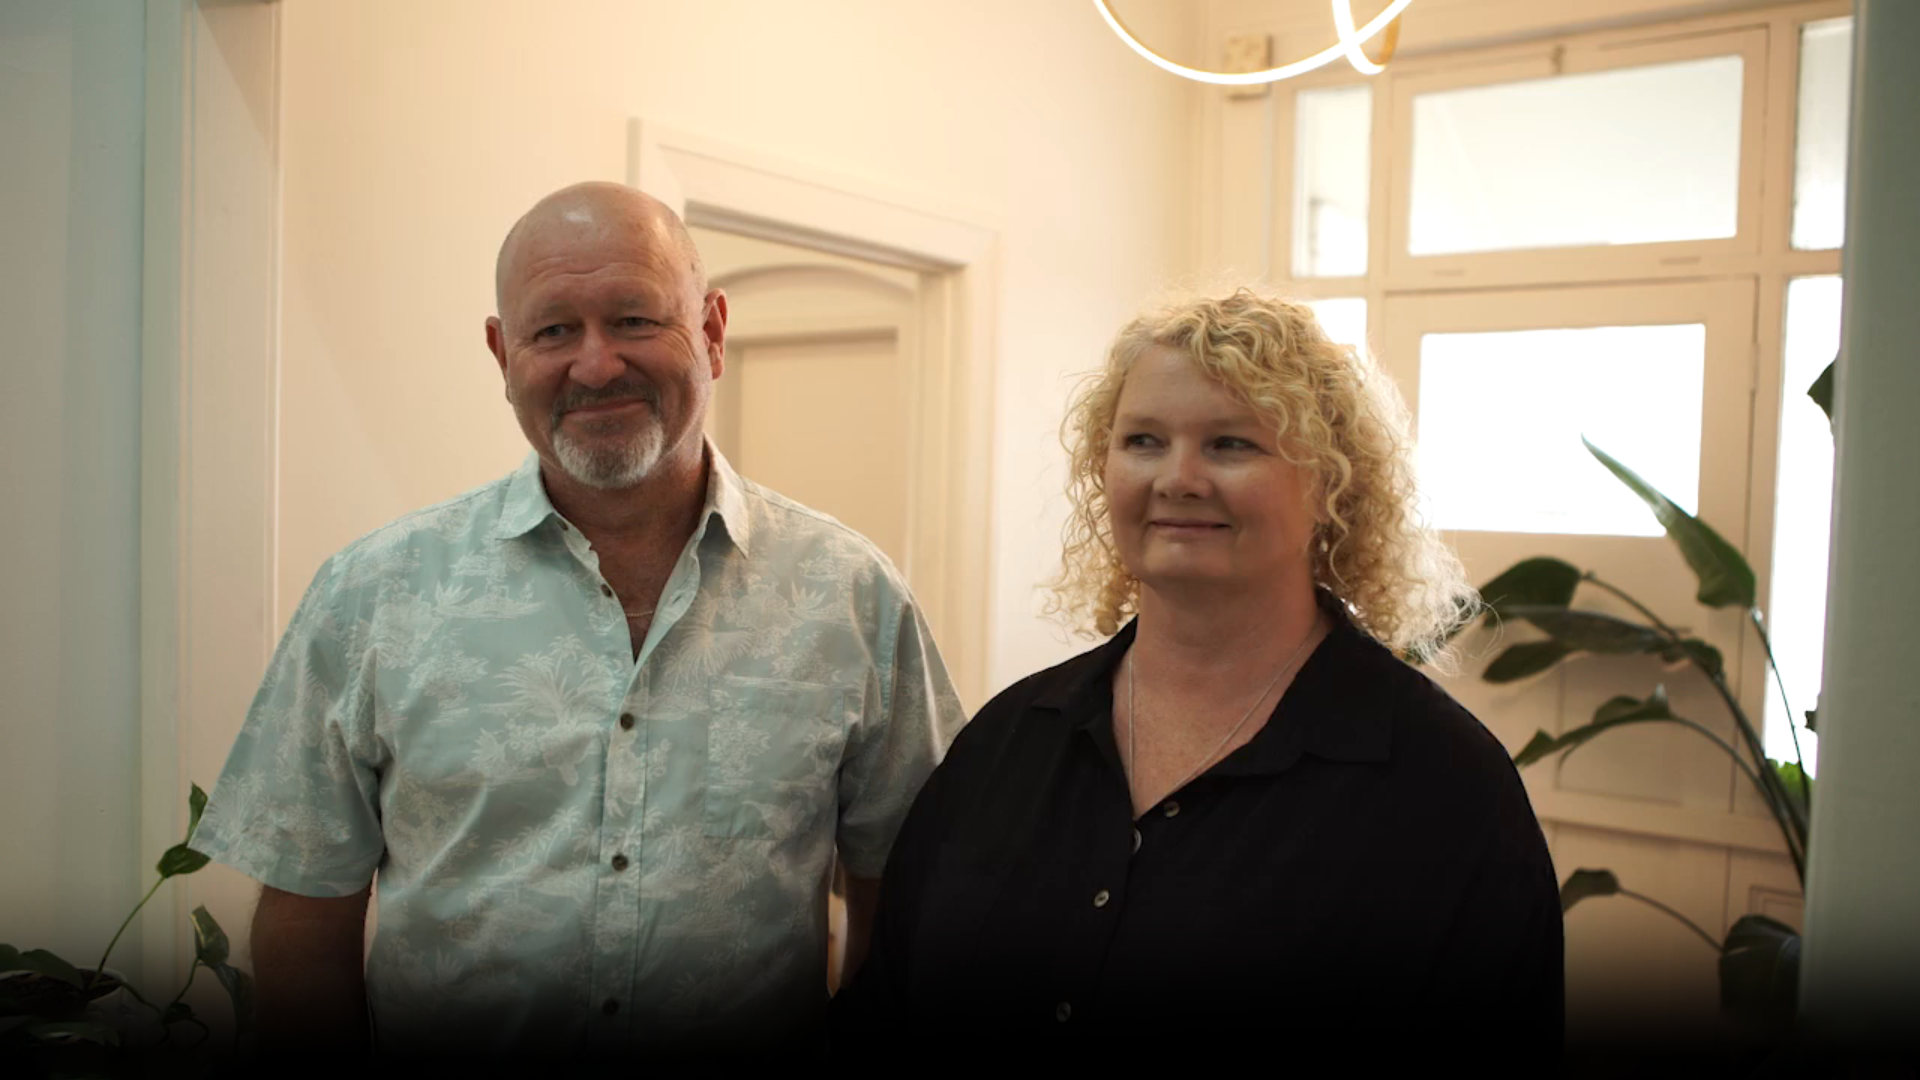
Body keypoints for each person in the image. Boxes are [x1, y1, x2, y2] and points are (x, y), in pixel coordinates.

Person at [190, 182, 966, 1063]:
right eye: (554, 330)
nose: (595, 366)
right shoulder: (372, 596)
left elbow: (900, 899)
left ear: (712, 332)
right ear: (502, 354)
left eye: (634, 319)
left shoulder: (853, 597)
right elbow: (305, 911)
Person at [833, 288, 1563, 1062]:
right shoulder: (1006, 741)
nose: (1178, 478)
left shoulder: (1442, 785)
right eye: (1144, 441)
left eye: (1230, 444)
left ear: (1330, 483)